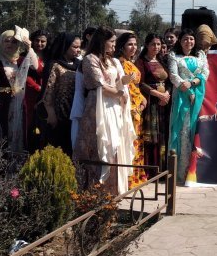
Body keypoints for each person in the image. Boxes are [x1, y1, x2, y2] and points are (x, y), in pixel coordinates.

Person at [74, 27, 135, 194]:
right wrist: (120, 93)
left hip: (114, 107)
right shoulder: (89, 60)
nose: (115, 45)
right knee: (102, 144)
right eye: (112, 42)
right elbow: (99, 84)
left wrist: (124, 81)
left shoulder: (113, 61)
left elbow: (116, 81)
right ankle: (96, 192)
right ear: (102, 42)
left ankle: (114, 190)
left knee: (115, 143)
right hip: (98, 107)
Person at [0, 28, 37, 156]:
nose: (10, 44)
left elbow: (35, 66)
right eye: (7, 41)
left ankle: (14, 168)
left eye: (14, 42)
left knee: (16, 135)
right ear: (1, 42)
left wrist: (29, 46)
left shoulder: (21, 60)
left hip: (17, 104)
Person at [168, 29, 208, 184]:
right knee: (182, 133)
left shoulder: (201, 55)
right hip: (182, 99)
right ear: (180, 40)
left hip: (199, 96)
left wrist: (192, 85)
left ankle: (196, 173)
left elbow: (205, 74)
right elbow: (173, 76)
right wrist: (188, 92)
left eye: (191, 39)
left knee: (197, 132)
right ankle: (180, 174)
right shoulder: (174, 56)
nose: (188, 42)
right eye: (185, 39)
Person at [40, 32, 82, 155]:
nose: (78, 50)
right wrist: (51, 114)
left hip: (74, 111)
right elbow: (48, 91)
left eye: (79, 47)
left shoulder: (79, 65)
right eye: (75, 47)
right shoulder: (54, 65)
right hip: (58, 114)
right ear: (65, 46)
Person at [117, 32, 147, 188]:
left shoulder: (130, 62)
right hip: (128, 108)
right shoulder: (119, 63)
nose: (133, 47)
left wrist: (142, 98)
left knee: (136, 142)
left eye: (135, 44)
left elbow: (134, 86)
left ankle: (136, 178)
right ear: (121, 46)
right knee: (130, 142)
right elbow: (122, 85)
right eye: (130, 44)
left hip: (137, 108)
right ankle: (128, 180)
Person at [137, 33, 171, 170]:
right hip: (150, 103)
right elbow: (140, 83)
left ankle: (162, 169)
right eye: (153, 44)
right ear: (146, 45)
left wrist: (167, 94)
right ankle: (151, 170)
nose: (156, 47)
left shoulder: (162, 61)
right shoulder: (141, 62)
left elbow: (169, 81)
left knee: (163, 134)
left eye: (158, 44)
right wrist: (157, 94)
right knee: (151, 137)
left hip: (164, 104)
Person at [24, 29, 49, 152]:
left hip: (48, 95)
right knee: (31, 124)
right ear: (32, 42)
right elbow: (25, 76)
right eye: (37, 41)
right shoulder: (26, 55)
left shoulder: (50, 57)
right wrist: (38, 88)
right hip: (32, 95)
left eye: (43, 41)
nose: (39, 44)